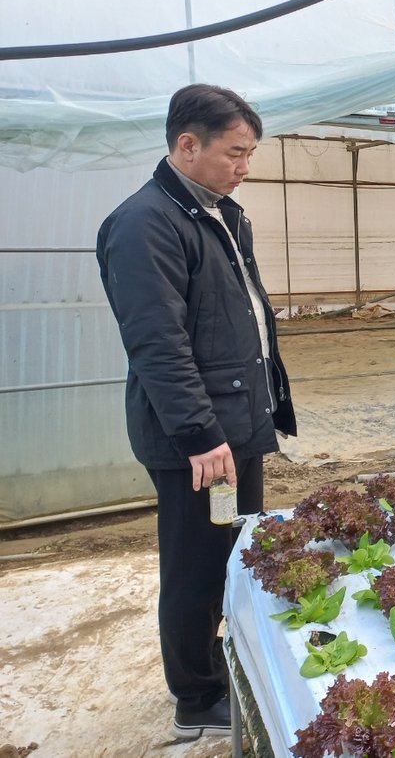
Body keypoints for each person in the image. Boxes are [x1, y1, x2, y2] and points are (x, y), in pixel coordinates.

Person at [96, 84, 295, 738]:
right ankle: (196, 696)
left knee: (234, 553)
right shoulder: (145, 224)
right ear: (188, 145)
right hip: (201, 440)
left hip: (236, 426)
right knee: (195, 566)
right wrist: (199, 434)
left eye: (249, 153)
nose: (245, 167)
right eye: (236, 153)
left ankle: (223, 665)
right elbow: (158, 344)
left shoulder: (220, 214)